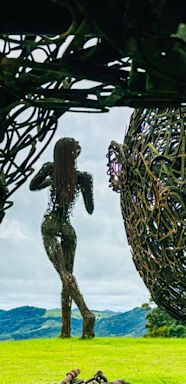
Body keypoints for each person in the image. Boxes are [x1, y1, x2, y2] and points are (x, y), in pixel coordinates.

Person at [30, 137, 96, 338]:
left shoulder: (50, 168)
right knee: (68, 277)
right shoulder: (83, 177)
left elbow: (33, 186)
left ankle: (86, 313)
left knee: (64, 275)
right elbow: (90, 208)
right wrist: (78, 186)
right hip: (68, 228)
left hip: (51, 224)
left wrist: (52, 181)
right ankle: (65, 331)